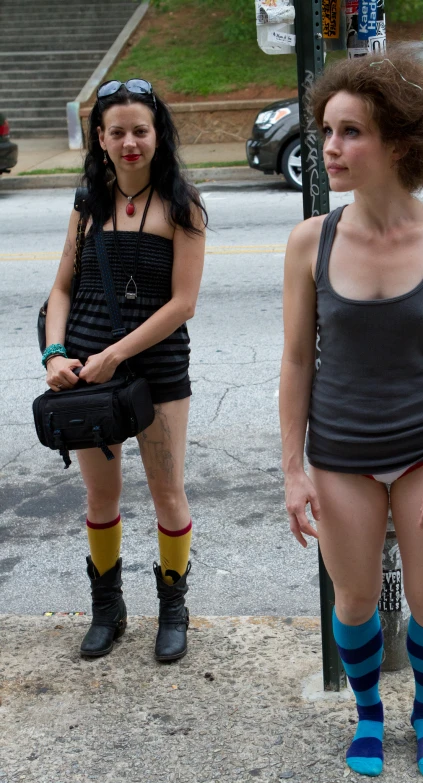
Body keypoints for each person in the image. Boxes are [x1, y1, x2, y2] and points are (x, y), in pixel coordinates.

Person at [279, 51, 423, 778]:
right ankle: (368, 716)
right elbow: (297, 362)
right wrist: (293, 470)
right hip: (340, 451)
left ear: (400, 142)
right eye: (327, 132)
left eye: (350, 133)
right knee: (357, 595)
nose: (330, 148)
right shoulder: (312, 240)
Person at [43, 79, 207, 662]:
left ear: (158, 134)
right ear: (101, 139)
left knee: (167, 492)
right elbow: (61, 287)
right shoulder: (87, 204)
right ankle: (108, 611)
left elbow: (182, 304)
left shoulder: (182, 207)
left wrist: (118, 353)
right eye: (118, 132)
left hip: (157, 371)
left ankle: (173, 611)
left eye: (141, 130)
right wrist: (54, 353)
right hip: (86, 375)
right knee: (100, 497)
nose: (130, 142)